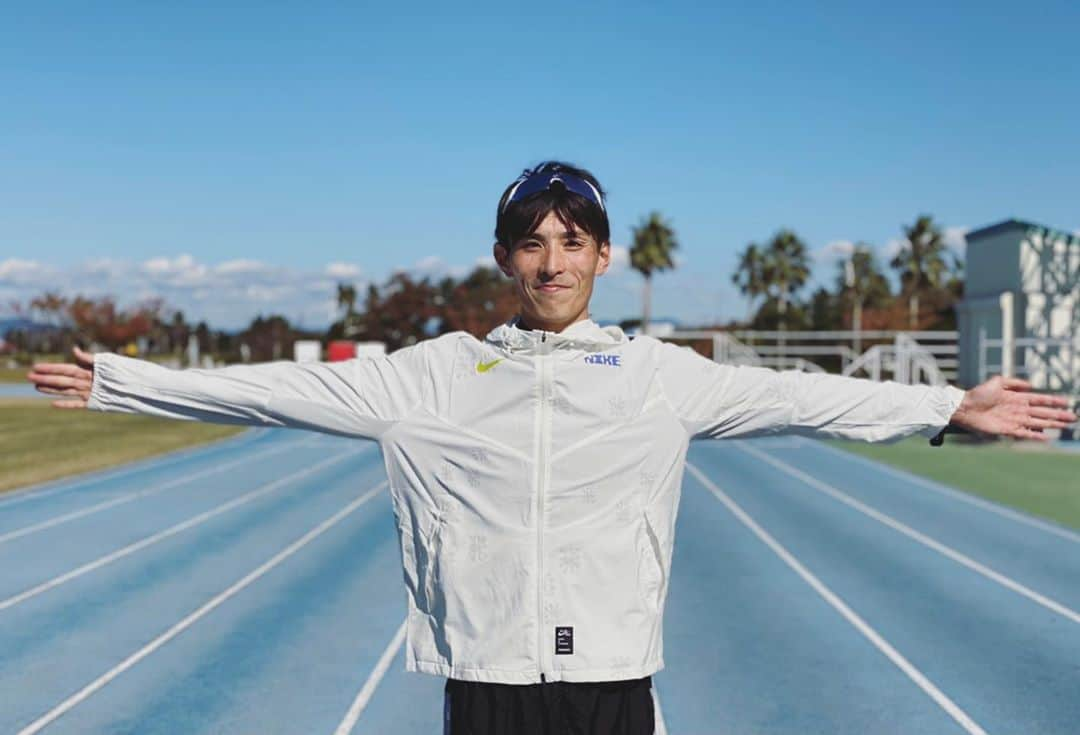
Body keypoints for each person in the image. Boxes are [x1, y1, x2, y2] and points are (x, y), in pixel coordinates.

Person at [28, 161, 1077, 735]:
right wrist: (130, 379)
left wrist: (948, 407)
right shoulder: (434, 374)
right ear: (504, 259)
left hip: (614, 687)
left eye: (571, 240)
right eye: (532, 241)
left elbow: (799, 395)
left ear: (604, 257)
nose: (552, 259)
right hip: (483, 683)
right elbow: (281, 391)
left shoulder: (661, 375)